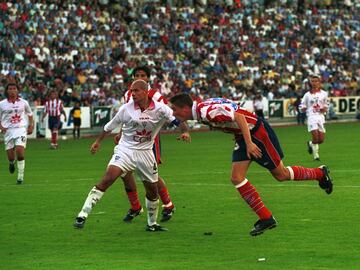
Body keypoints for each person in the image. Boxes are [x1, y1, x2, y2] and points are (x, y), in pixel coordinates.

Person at [169, 93, 333, 236]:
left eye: (175, 110)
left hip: (256, 134)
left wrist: (249, 143)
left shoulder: (206, 112)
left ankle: (320, 173)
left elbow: (239, 117)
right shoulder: (203, 108)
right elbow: (234, 110)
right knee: (236, 177)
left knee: (281, 175)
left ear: (184, 108)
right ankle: (266, 217)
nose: (174, 113)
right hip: (243, 135)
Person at [73, 79, 187, 232]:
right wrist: (97, 142)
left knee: (152, 190)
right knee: (109, 177)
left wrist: (185, 132)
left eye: (136, 91)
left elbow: (178, 121)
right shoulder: (126, 109)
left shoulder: (160, 109)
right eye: (131, 91)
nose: (132, 94)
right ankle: (82, 215)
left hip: (146, 153)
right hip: (125, 150)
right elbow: (109, 126)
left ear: (145, 92)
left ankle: (152, 224)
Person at [117, 66, 190, 223]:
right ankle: (136, 207)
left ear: (149, 78)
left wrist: (183, 130)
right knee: (124, 172)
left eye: (143, 75)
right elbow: (126, 116)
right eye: (137, 75)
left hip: (148, 140)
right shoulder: (128, 94)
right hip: (129, 141)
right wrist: (120, 133)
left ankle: (168, 205)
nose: (140, 77)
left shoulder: (156, 95)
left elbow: (169, 114)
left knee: (151, 177)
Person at [0, 83, 34, 184]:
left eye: (14, 89)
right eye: (10, 89)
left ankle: (20, 177)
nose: (12, 91)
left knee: (20, 152)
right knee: (11, 157)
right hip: (8, 131)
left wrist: (31, 125)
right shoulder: (2, 104)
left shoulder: (24, 102)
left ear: (17, 91)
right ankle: (11, 163)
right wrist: (1, 127)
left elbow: (30, 114)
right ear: (7, 91)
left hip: (21, 129)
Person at [299, 74, 329, 161]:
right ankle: (316, 156)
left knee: (321, 140)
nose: (314, 83)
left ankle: (310, 143)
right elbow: (301, 105)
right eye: (313, 81)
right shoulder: (307, 95)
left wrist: (325, 109)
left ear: (319, 82)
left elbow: (327, 104)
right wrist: (303, 109)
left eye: (316, 81)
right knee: (315, 137)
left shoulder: (324, 93)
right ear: (310, 83)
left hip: (320, 117)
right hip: (311, 117)